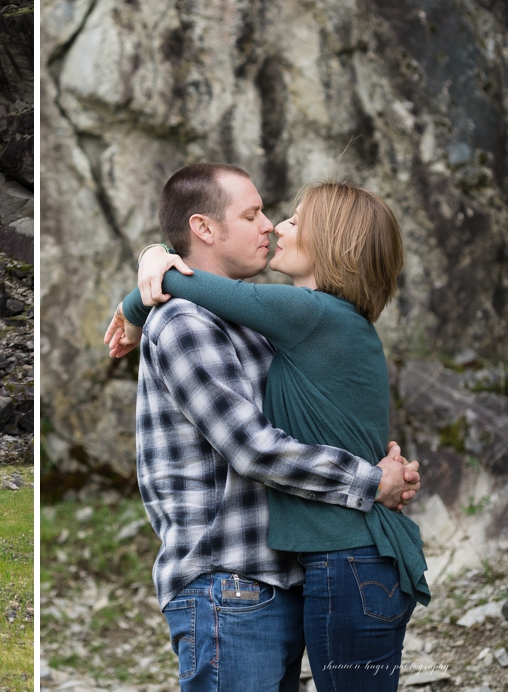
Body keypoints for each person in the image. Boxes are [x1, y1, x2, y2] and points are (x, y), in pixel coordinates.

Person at [96, 163, 419, 692]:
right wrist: (371, 481)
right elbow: (253, 450)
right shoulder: (186, 322)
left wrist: (150, 270)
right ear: (204, 228)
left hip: (287, 577)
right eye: (253, 215)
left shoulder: (271, 324)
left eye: (277, 215)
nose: (270, 225)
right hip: (229, 584)